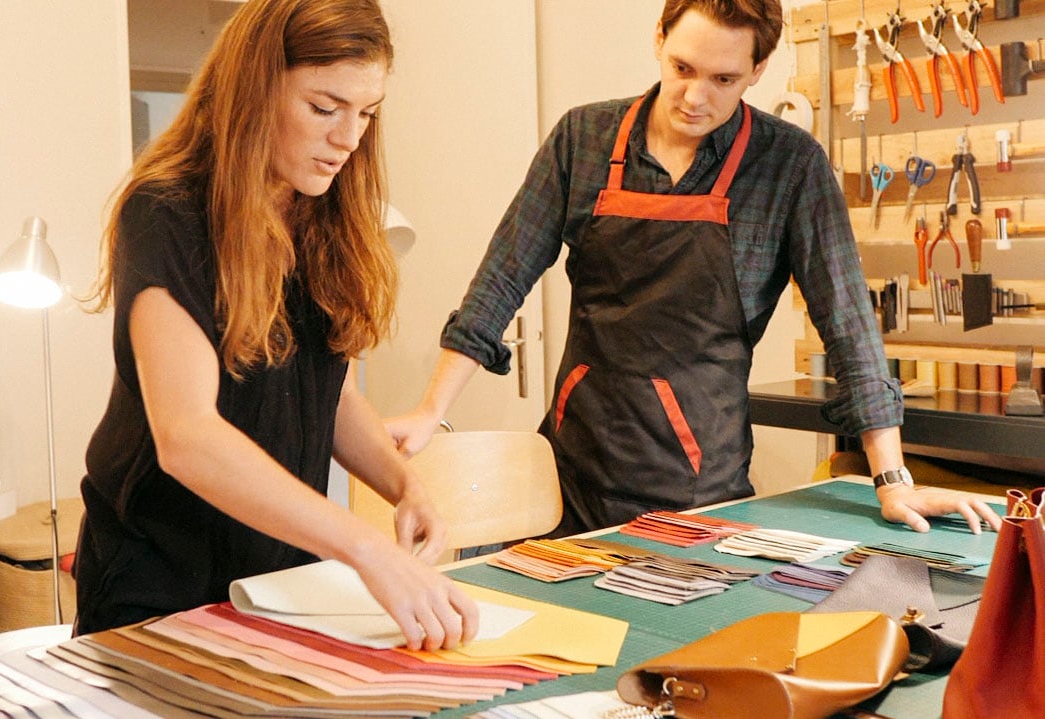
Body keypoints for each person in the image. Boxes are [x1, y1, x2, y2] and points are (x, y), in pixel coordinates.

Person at [387, 0, 1001, 537]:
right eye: (682, 68)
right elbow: (503, 276)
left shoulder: (789, 166)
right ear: (659, 39)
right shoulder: (583, 138)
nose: (694, 97)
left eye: (723, 78)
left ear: (758, 70)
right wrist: (428, 411)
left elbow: (847, 322)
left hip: (701, 494)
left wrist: (892, 479)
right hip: (571, 482)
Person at [73, 0, 478, 649]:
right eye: (325, 108)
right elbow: (188, 435)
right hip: (158, 585)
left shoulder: (326, 215)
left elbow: (330, 392)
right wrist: (367, 548)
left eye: (367, 113)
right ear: (255, 90)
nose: (349, 138)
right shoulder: (166, 213)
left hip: (278, 583)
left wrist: (406, 488)